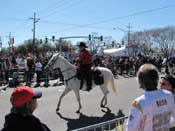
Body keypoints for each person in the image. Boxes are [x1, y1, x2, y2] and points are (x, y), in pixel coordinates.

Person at [126, 64, 175, 131]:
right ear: (157, 79)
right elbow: (172, 122)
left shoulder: (138, 103)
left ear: (140, 81)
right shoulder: (169, 95)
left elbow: (131, 128)